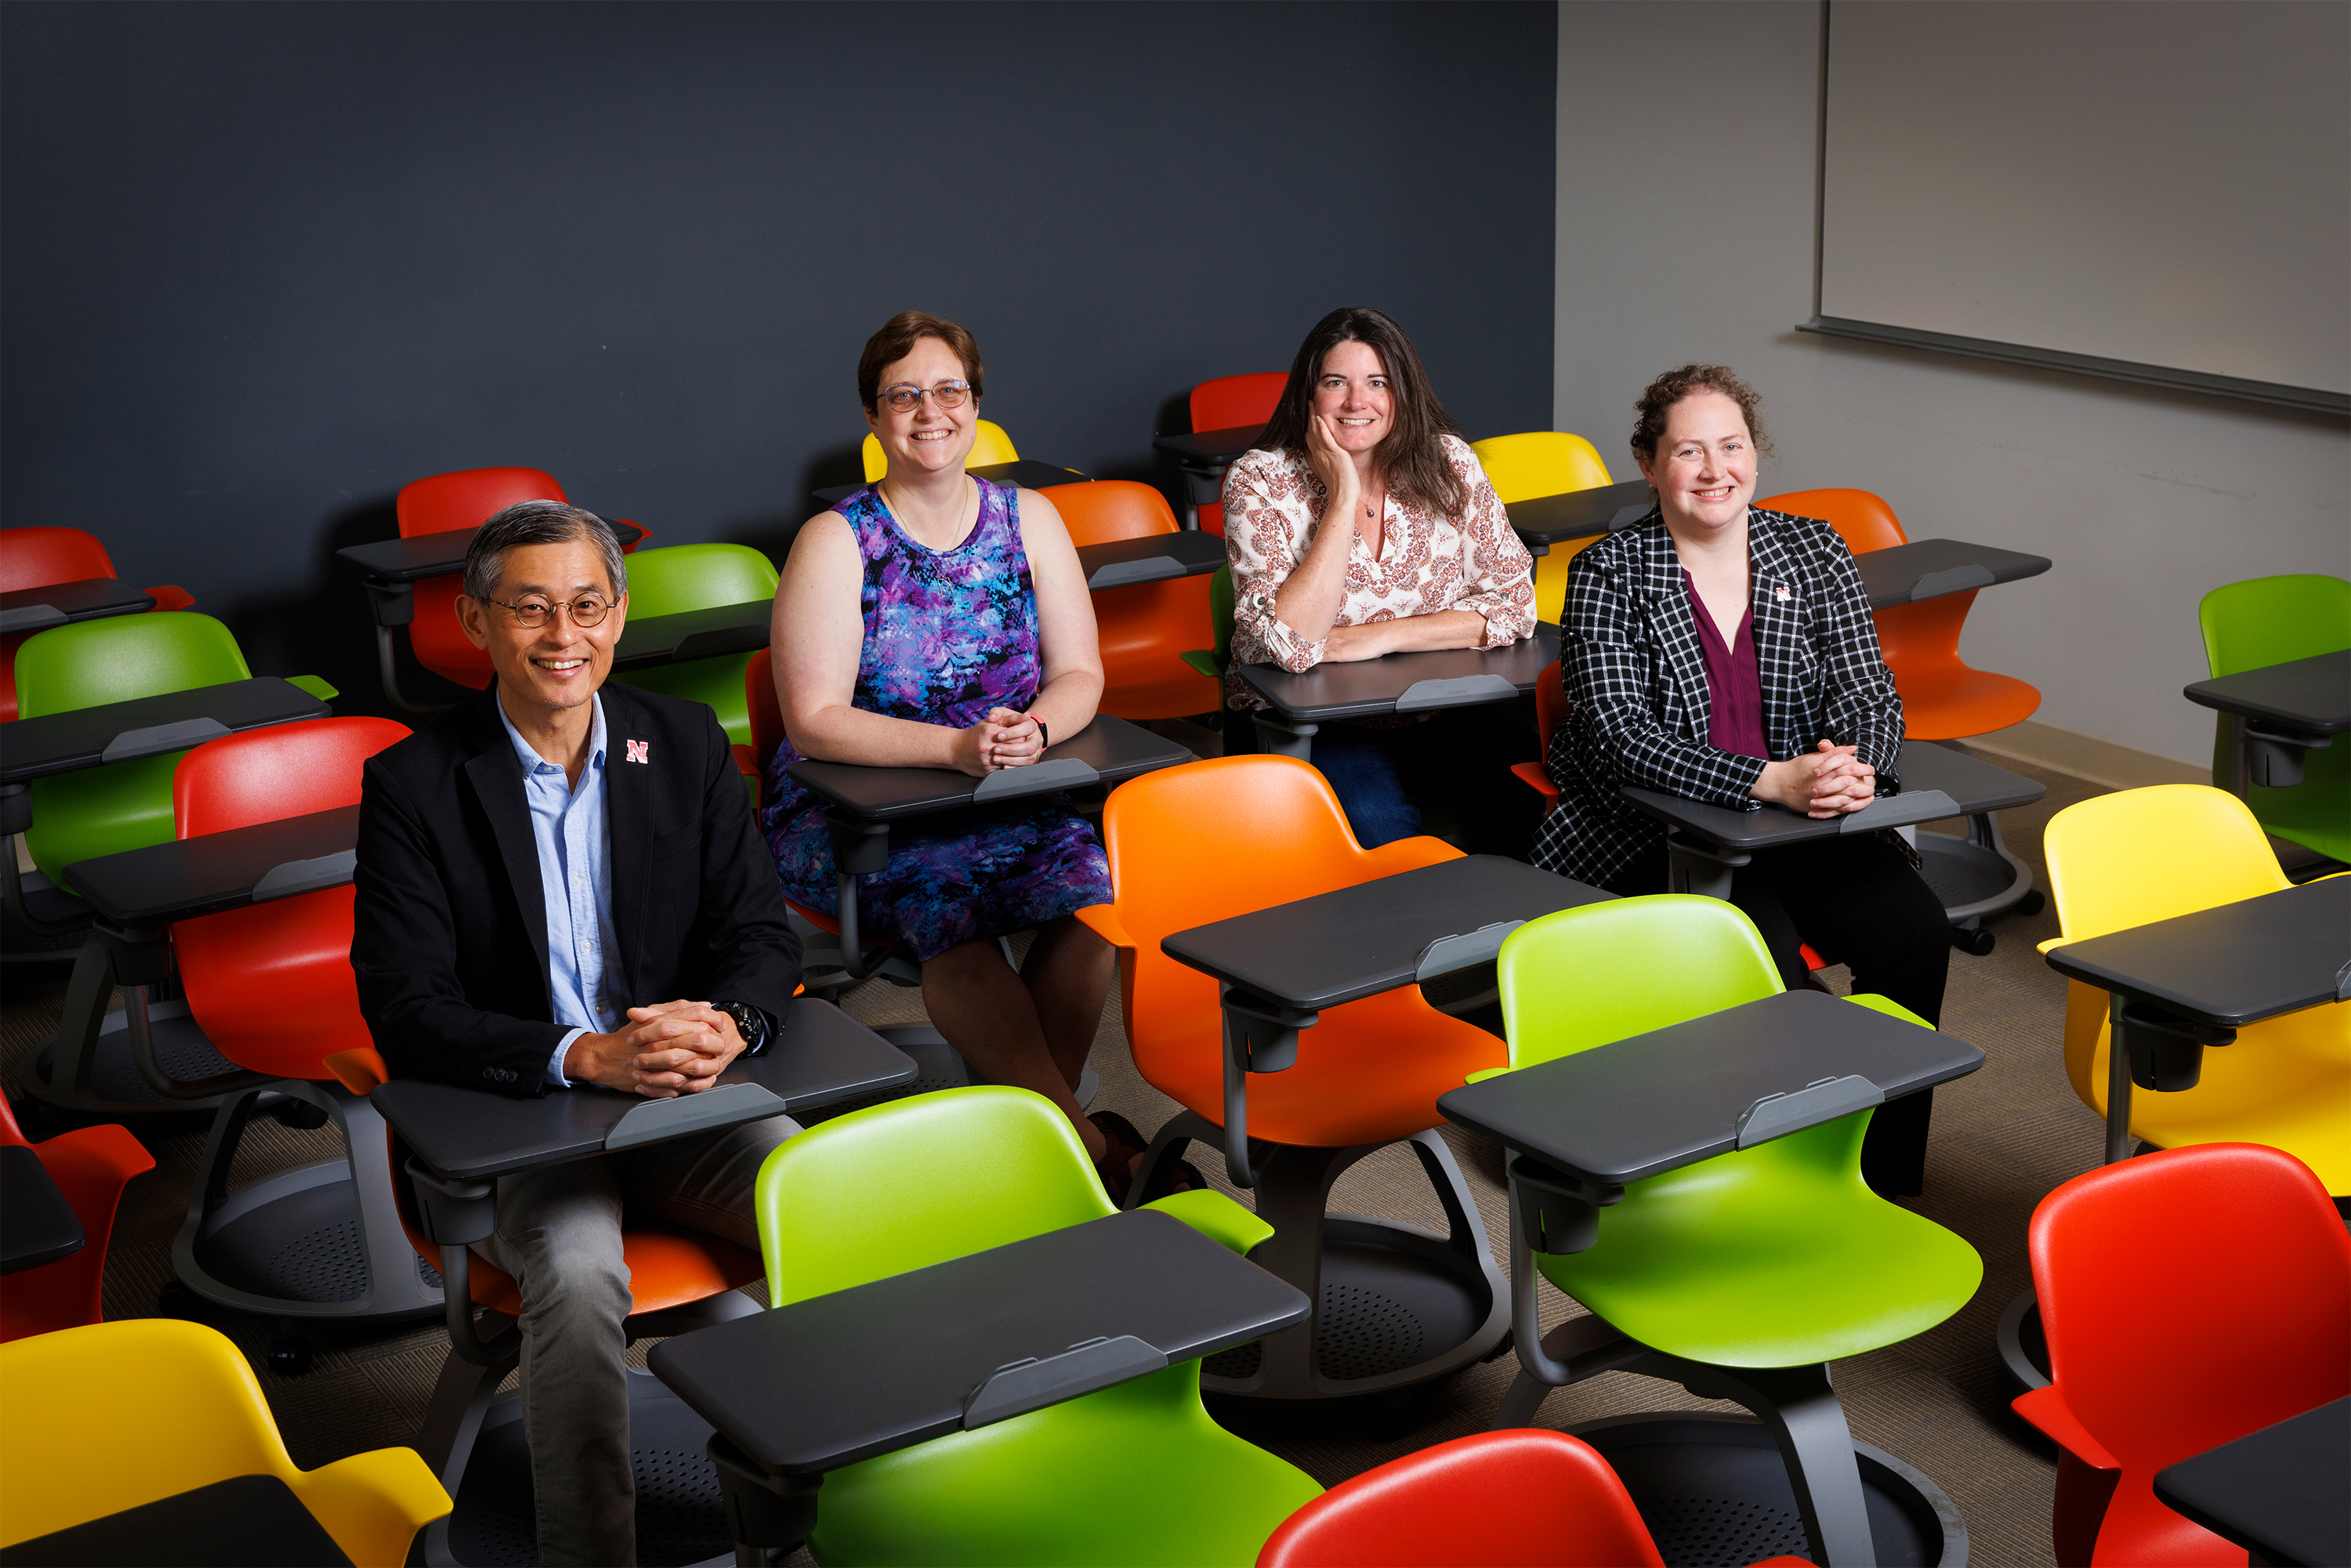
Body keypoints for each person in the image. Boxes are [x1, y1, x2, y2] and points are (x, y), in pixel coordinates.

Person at [352, 501, 802, 1566]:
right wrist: (578, 1054)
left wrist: (729, 1025)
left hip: (682, 1105)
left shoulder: (683, 740)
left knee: (822, 1195)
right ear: (475, 622)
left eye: (587, 605)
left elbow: (760, 937)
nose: (565, 636)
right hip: (520, 1121)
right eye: (531, 609)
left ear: (620, 611)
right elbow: (406, 1008)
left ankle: (820, 1510)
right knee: (583, 1267)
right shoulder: (412, 785)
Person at [1527, 363, 1950, 1195]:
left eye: (1732, 446)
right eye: (1690, 451)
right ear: (1649, 466)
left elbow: (1867, 688)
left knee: (1917, 931)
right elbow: (1620, 740)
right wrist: (1771, 781)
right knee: (1771, 975)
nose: (1716, 469)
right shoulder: (1609, 573)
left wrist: (1852, 769)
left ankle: (1886, 1177)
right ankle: (1777, 1182)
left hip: (1804, 822)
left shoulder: (1815, 549)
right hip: (1658, 828)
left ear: (1757, 454)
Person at [762, 310, 1156, 1194]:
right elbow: (816, 719)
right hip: (860, 806)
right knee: (956, 924)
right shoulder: (838, 538)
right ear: (873, 417)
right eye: (904, 395)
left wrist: (1037, 731)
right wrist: (956, 747)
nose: (928, 411)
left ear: (976, 405)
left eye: (949, 390)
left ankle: (1025, 1141)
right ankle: (1086, 1152)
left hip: (1006, 782)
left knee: (1094, 898)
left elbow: (1082, 673)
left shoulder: (1031, 518)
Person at [1222, 306, 1542, 856]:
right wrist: (1342, 495)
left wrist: (1379, 637)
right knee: (1377, 840)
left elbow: (1515, 603)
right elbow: (1292, 646)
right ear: (1309, 396)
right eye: (1335, 383)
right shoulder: (1260, 480)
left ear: (1403, 393)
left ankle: (1508, 939)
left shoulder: (1450, 464)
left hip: (1444, 706)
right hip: (1319, 723)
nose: (1356, 402)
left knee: (1534, 800)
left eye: (1377, 383)